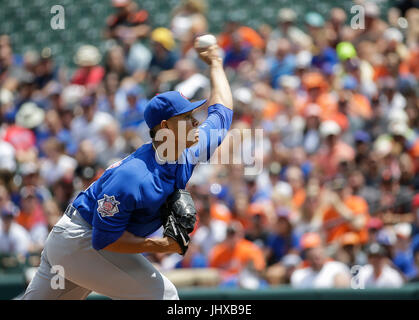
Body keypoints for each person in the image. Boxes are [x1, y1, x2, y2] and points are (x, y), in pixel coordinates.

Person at [22, 42, 233, 300]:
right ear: (166, 127)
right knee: (163, 296)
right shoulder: (134, 176)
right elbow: (104, 240)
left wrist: (215, 64)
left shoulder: (188, 148)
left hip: (73, 243)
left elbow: (222, 112)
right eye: (187, 117)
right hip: (81, 241)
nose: (195, 122)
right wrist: (162, 245)